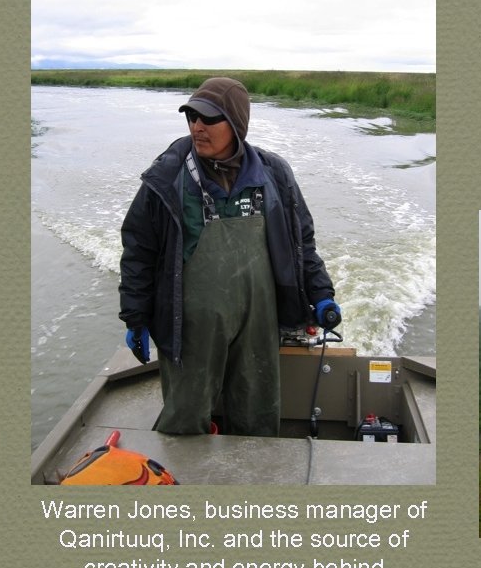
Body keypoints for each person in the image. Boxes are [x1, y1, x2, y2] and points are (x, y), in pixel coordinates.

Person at [118, 77, 341, 437]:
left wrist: (321, 294)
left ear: (236, 124)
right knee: (185, 417)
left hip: (259, 320)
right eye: (191, 117)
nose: (197, 127)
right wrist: (136, 317)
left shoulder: (274, 175)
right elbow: (138, 250)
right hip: (190, 326)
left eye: (208, 119)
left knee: (258, 412)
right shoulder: (167, 177)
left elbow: (304, 242)